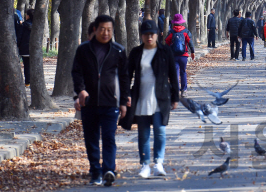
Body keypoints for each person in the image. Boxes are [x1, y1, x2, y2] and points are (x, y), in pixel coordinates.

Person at [72, 15, 129, 186]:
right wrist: (80, 90)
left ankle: (109, 170)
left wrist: (124, 100)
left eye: (109, 30)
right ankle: (95, 171)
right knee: (91, 138)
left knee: (109, 137)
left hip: (110, 102)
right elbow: (77, 72)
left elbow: (124, 77)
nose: (106, 33)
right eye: (102, 29)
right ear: (95, 29)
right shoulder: (83, 50)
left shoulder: (118, 51)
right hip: (89, 103)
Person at [121, 20, 179, 178]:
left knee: (160, 131)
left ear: (157, 35)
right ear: (142, 35)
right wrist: (125, 94)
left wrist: (175, 97)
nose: (149, 37)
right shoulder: (136, 52)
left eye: (152, 34)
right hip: (141, 96)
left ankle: (159, 163)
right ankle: (145, 164)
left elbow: (173, 75)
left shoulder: (165, 51)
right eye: (146, 34)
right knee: (143, 133)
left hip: (161, 97)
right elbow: (127, 75)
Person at [165, 14, 195, 97]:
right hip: (184, 55)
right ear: (181, 22)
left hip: (173, 55)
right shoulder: (186, 32)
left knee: (175, 73)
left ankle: (176, 90)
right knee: (183, 72)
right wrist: (192, 52)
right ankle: (184, 90)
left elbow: (167, 42)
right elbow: (190, 42)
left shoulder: (171, 32)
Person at [17, 9, 34, 87]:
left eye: (26, 14)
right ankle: (34, 81)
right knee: (33, 65)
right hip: (34, 49)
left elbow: (19, 36)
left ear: (28, 16)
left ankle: (27, 82)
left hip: (25, 49)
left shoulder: (23, 25)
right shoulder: (37, 25)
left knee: (26, 66)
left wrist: (18, 45)